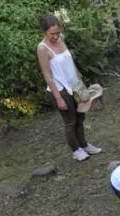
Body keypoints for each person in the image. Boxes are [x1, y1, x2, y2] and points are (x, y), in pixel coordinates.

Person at [36, 13, 103, 162]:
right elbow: (47, 75)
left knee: (81, 116)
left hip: (75, 85)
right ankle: (76, 150)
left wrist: (80, 81)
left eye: (58, 33)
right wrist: (58, 97)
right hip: (60, 90)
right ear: (45, 31)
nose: (55, 36)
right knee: (70, 121)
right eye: (52, 34)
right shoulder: (42, 48)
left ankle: (84, 145)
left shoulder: (62, 39)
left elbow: (69, 63)